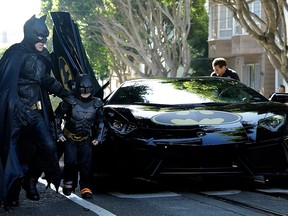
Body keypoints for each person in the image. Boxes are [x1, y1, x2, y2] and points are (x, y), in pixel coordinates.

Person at [0, 15, 76, 208]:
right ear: (29, 34)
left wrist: (68, 96)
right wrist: (14, 107)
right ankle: (12, 192)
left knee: (49, 147)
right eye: (39, 36)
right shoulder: (14, 53)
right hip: (14, 113)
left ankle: (31, 179)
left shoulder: (43, 56)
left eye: (45, 36)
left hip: (34, 113)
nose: (43, 41)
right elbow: (5, 83)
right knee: (10, 152)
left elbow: (47, 81)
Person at [55, 74, 105, 199]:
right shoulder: (69, 101)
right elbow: (57, 117)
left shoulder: (97, 103)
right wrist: (59, 133)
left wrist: (98, 137)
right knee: (70, 162)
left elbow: (101, 121)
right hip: (70, 137)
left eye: (88, 90)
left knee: (86, 164)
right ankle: (68, 183)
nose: (85, 93)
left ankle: (85, 187)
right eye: (83, 90)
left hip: (86, 139)